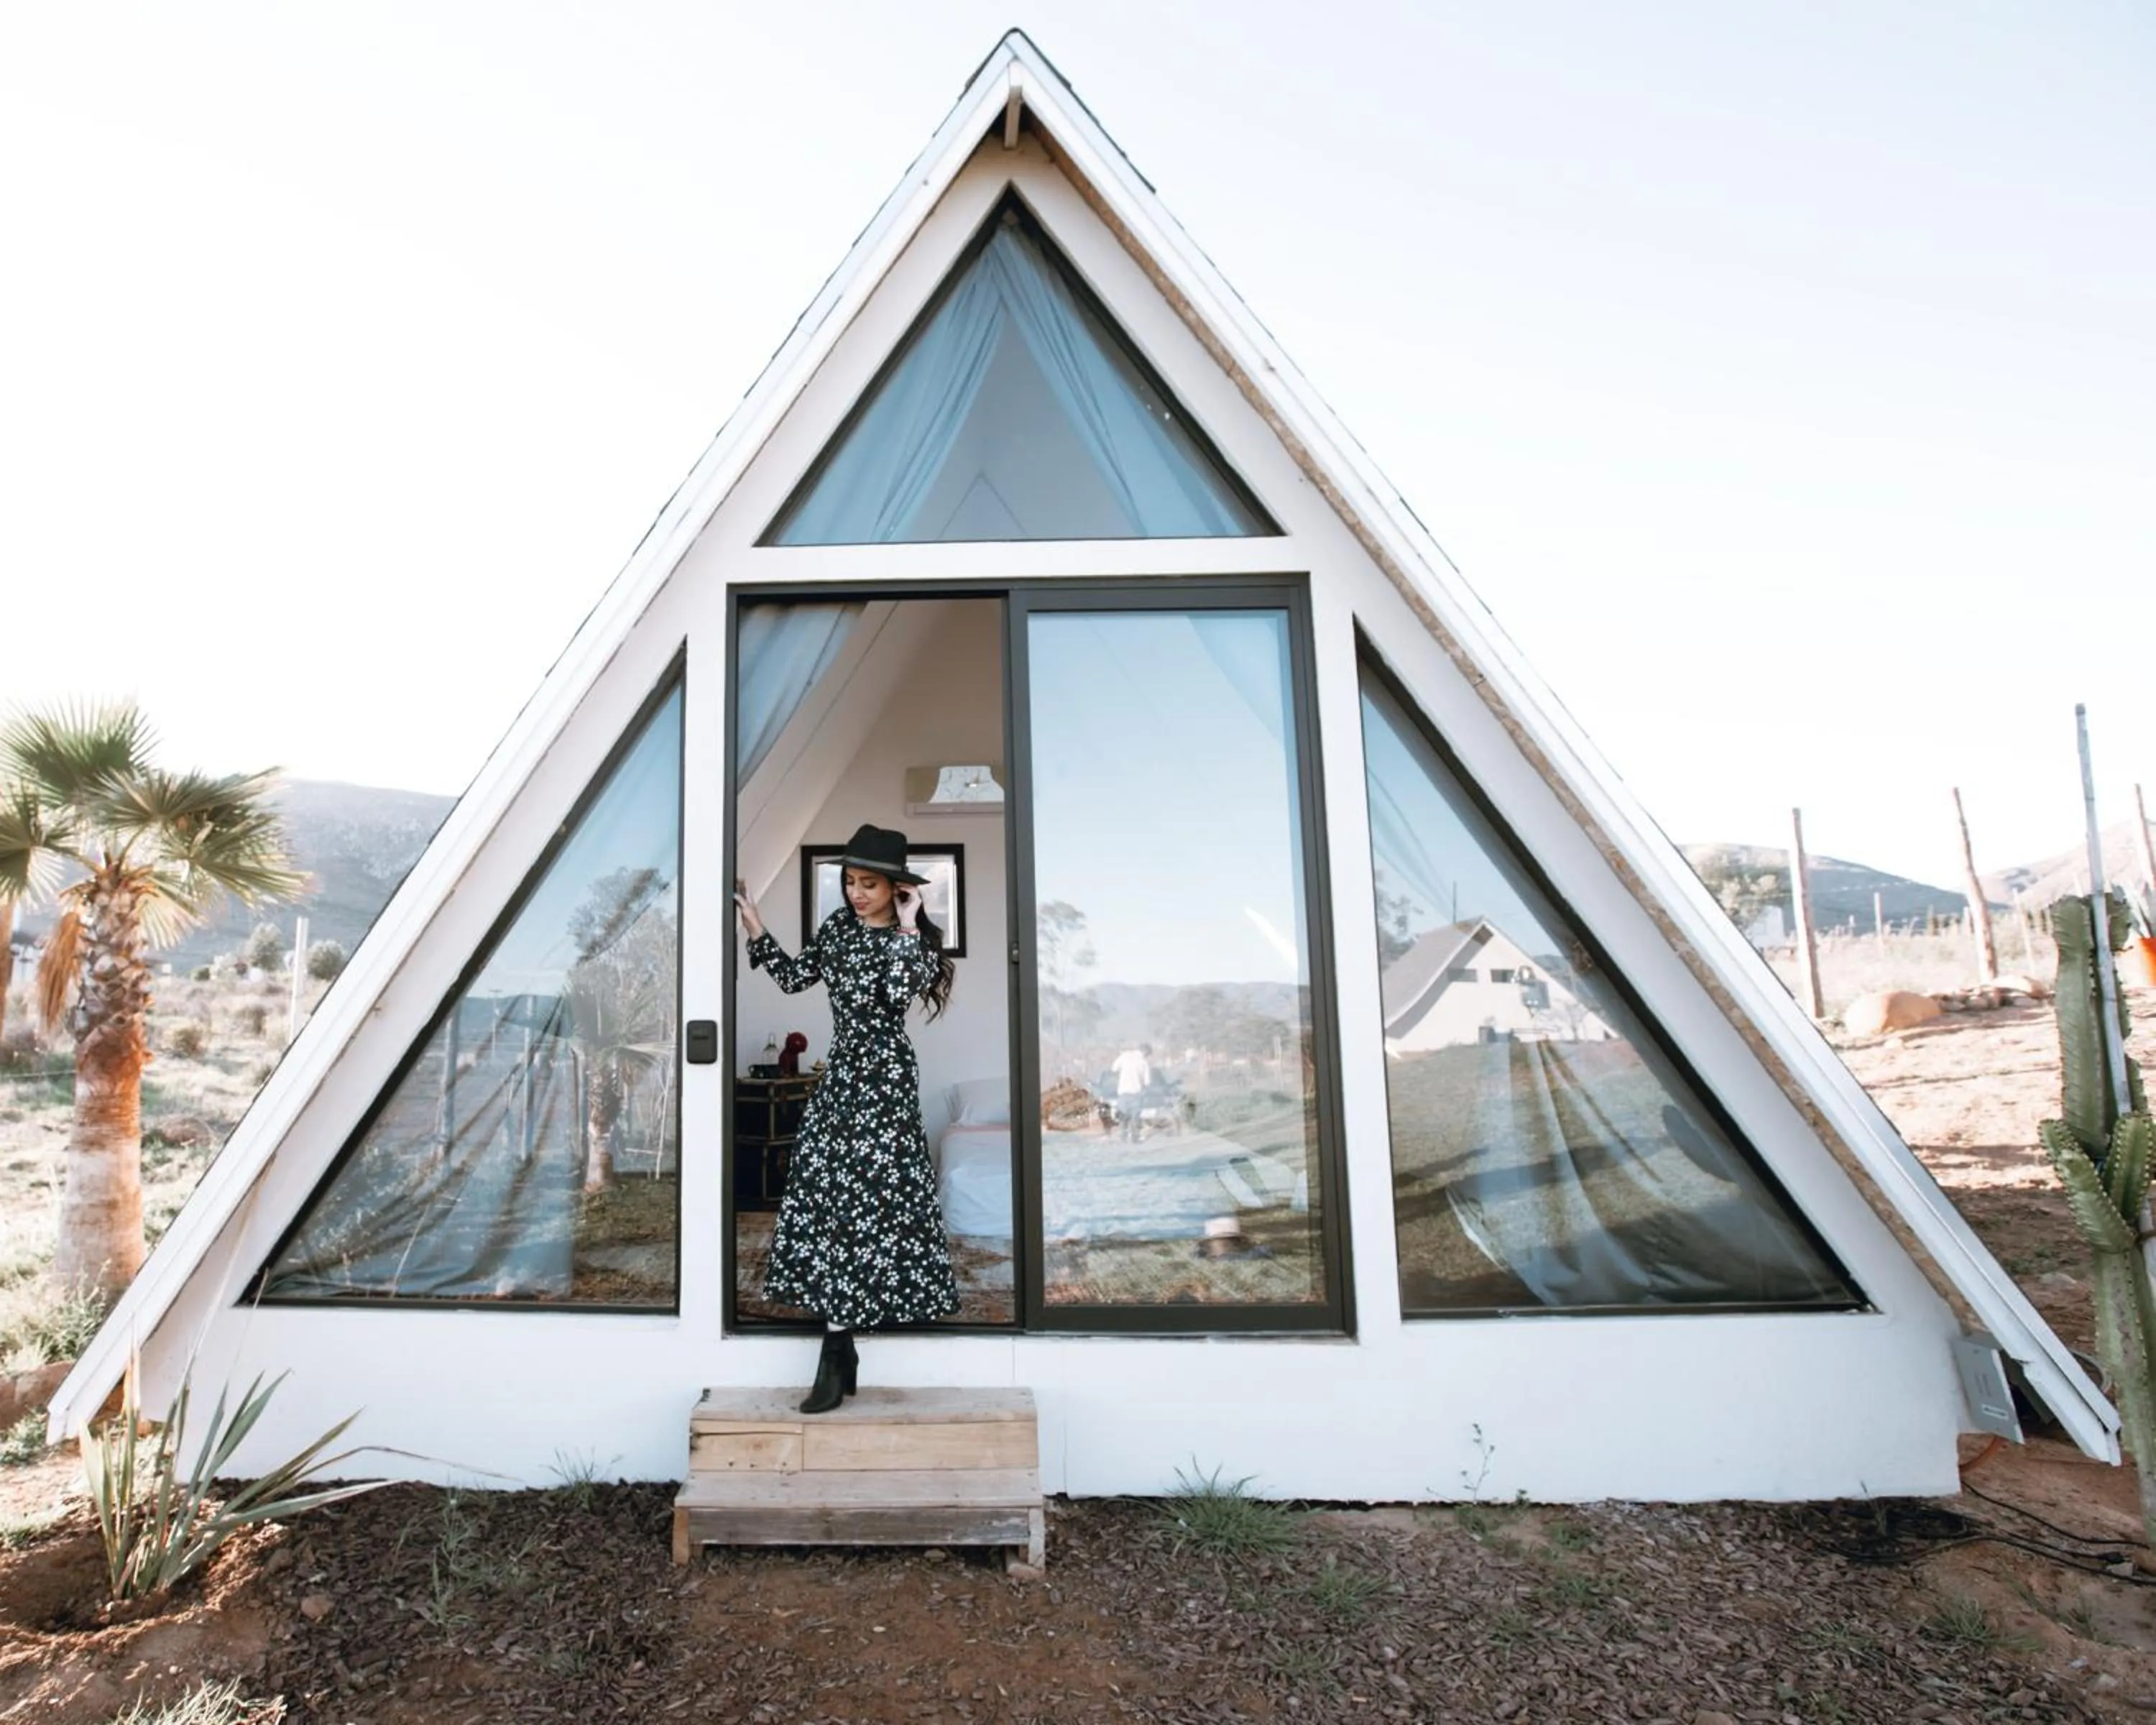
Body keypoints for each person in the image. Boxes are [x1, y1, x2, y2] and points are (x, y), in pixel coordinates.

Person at [734, 823, 959, 1413]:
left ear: (896, 888)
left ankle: (836, 1354)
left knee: (871, 1205)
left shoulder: (913, 942)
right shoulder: (838, 927)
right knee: (827, 1198)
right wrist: (755, 925)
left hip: (885, 1081)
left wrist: (908, 924)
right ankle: (841, 1345)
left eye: (869, 884)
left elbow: (896, 994)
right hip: (841, 1079)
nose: (856, 893)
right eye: (851, 882)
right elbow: (794, 979)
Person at [1110, 1041, 1153, 1143]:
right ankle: (1135, 1139)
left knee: (1124, 1117)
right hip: (1136, 1094)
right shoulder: (1144, 1063)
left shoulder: (1125, 1056)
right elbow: (1147, 1082)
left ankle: (1123, 1138)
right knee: (1135, 1118)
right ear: (1146, 1052)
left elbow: (1114, 1069)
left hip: (1123, 1093)